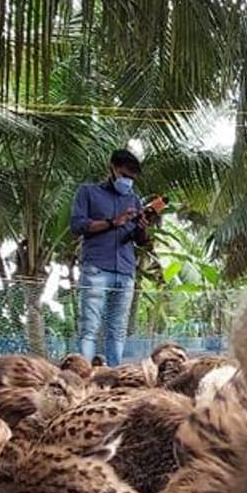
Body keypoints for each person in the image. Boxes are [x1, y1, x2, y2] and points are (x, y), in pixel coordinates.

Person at [70, 149, 161, 366]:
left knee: (118, 330)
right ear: (112, 168)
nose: (128, 180)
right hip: (96, 268)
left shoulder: (134, 199)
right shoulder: (88, 192)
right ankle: (85, 376)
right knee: (89, 327)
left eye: (132, 177)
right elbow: (77, 226)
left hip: (126, 270)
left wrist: (141, 228)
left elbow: (139, 240)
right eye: (125, 175)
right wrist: (113, 222)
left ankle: (115, 375)